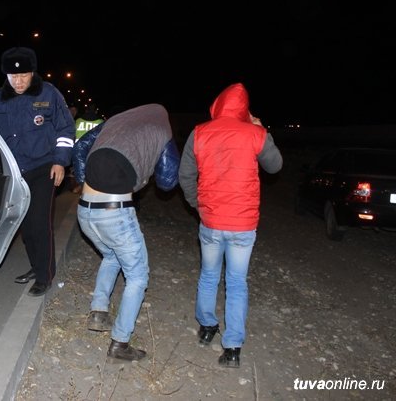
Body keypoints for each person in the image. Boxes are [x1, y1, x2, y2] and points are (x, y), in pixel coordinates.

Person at [178, 82, 283, 368]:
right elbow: (275, 166)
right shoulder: (255, 133)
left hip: (211, 220)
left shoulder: (199, 132)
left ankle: (207, 327)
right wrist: (262, 129)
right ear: (244, 108)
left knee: (209, 275)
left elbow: (185, 175)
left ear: (218, 105)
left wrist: (197, 204)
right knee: (237, 282)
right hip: (243, 224)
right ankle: (233, 348)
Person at [72, 103, 180, 362]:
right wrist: (145, 173)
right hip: (115, 212)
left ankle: (98, 312)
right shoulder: (162, 130)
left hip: (85, 209)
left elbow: (80, 146)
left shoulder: (115, 121)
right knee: (138, 276)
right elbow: (168, 182)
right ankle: (120, 343)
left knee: (112, 256)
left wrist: (86, 180)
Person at [0, 46, 75, 296]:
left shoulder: (49, 93)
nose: (19, 81)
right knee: (25, 225)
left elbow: (65, 129)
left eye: (23, 75)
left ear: (33, 72)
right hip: (15, 173)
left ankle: (45, 276)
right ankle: (36, 267)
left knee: (39, 223)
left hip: (43, 168)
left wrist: (60, 162)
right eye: (14, 76)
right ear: (6, 76)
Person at [71, 103, 105, 194]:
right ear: (96, 111)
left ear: (86, 110)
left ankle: (80, 186)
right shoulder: (100, 122)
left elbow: (72, 135)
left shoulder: (78, 121)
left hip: (78, 151)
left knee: (78, 170)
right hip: (93, 151)